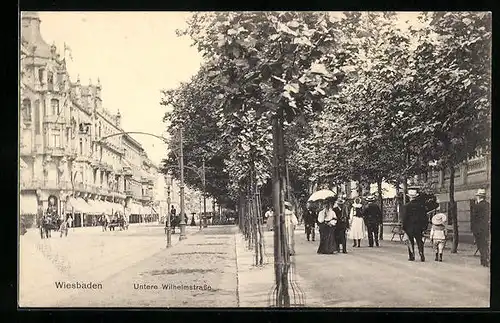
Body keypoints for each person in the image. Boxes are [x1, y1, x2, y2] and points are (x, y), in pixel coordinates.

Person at [401, 189, 428, 262]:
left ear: (410, 197)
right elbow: (425, 217)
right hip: (419, 227)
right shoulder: (421, 206)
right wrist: (424, 227)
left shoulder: (406, 206)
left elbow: (404, 218)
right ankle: (421, 253)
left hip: (409, 227)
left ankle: (412, 256)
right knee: (419, 241)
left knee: (410, 241)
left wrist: (403, 227)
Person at [471, 188, 490, 267]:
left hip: (478, 229)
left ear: (479, 197)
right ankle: (484, 260)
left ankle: (484, 261)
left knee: (480, 245)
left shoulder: (477, 206)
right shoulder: (488, 204)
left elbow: (474, 218)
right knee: (485, 244)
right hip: (486, 228)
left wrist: (473, 229)